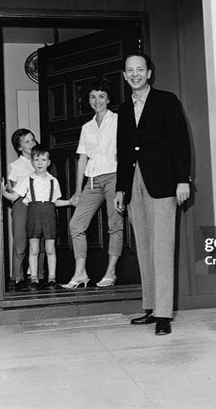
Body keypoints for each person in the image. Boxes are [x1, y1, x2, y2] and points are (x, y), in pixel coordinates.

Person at [114, 53, 191, 335]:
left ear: (149, 73)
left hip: (163, 182)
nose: (135, 74)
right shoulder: (122, 109)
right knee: (144, 246)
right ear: (125, 76)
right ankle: (150, 306)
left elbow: (180, 142)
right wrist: (121, 187)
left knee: (162, 247)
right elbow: (123, 151)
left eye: (140, 69)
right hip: (133, 183)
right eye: (129, 70)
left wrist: (183, 180)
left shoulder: (166, 101)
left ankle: (163, 314)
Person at [64, 77, 124, 290]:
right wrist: (78, 191)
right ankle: (80, 273)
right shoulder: (87, 127)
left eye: (101, 96)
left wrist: (122, 186)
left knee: (114, 223)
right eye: (92, 96)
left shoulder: (118, 120)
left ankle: (111, 271)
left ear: (108, 99)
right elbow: (82, 159)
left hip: (114, 176)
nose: (97, 100)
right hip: (92, 181)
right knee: (76, 225)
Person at [2, 146, 73, 290]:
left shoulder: (54, 181)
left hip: (49, 217)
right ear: (32, 163)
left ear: (48, 162)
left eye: (43, 159)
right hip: (33, 217)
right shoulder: (27, 180)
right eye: (36, 160)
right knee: (34, 250)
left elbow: (55, 201)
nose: (40, 162)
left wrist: (70, 202)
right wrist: (2, 191)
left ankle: (51, 279)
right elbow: (14, 196)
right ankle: (34, 279)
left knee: (50, 249)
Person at [5, 129, 45, 291]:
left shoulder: (40, 161)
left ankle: (40, 276)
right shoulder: (14, 166)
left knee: (40, 241)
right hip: (22, 203)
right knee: (21, 241)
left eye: (33, 140)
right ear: (19, 147)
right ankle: (18, 278)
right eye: (27, 142)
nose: (32, 144)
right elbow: (12, 190)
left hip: (38, 204)